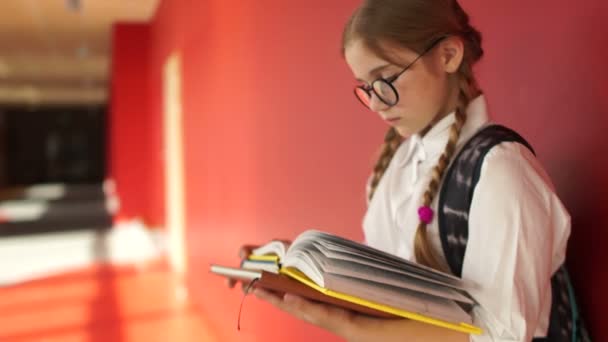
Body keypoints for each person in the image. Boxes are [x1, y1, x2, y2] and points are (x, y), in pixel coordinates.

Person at [247, 0, 582, 341]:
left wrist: (354, 328)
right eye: (365, 86)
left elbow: (501, 335)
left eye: (385, 78)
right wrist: (307, 270)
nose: (376, 103)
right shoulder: (397, 165)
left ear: (448, 55)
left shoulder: (501, 171)